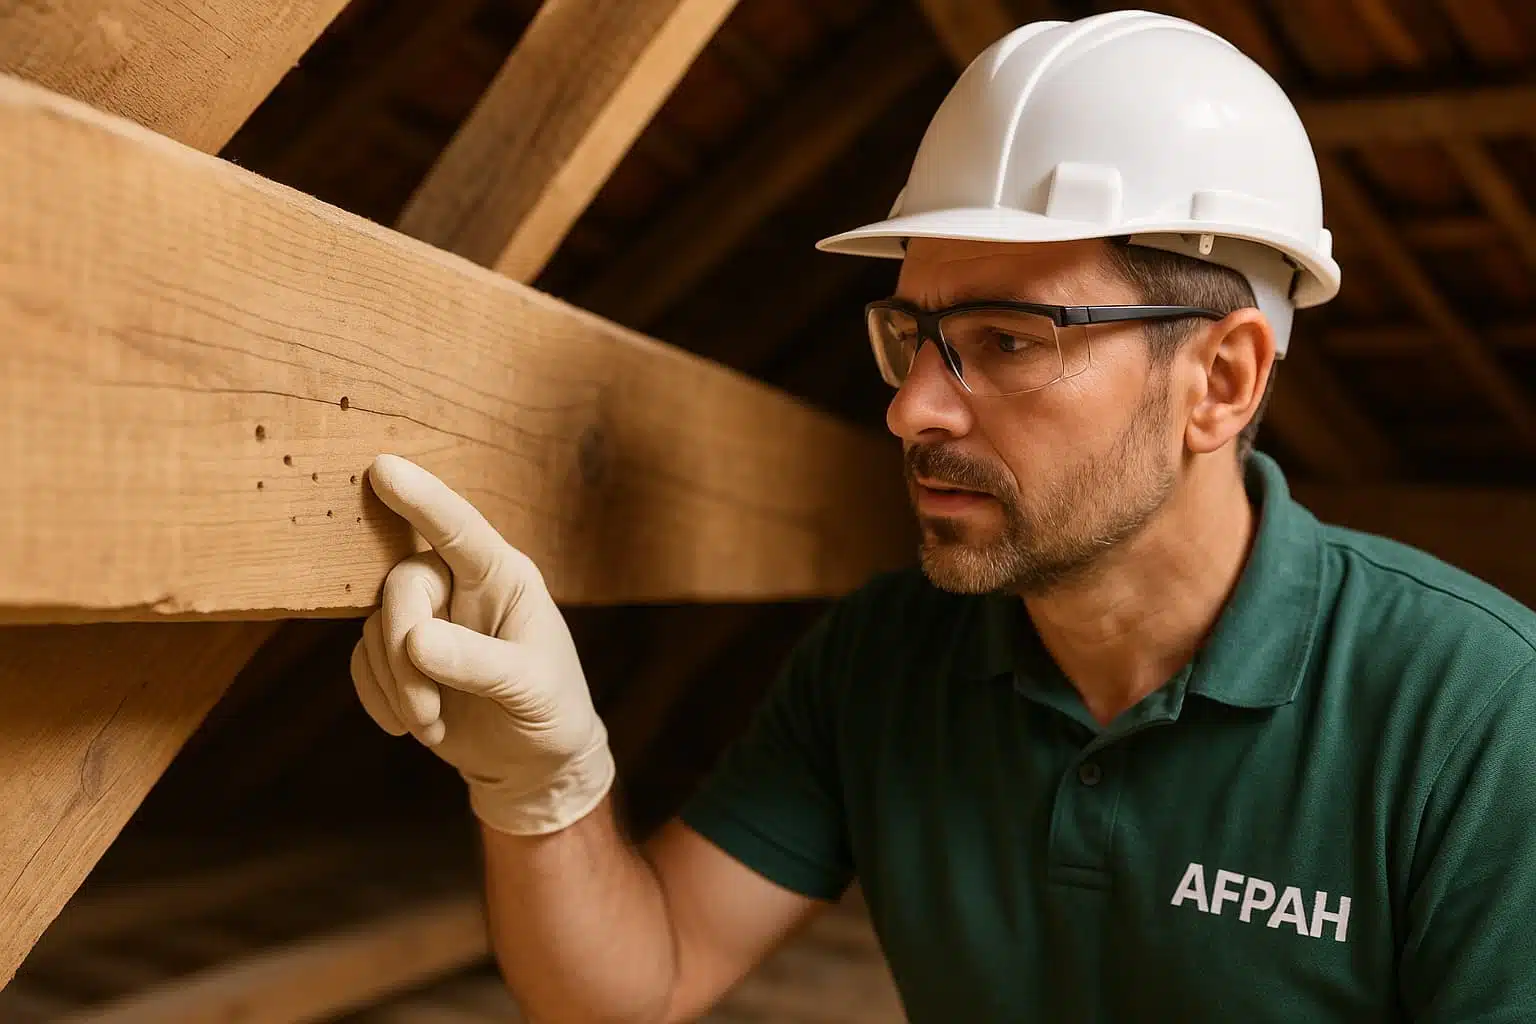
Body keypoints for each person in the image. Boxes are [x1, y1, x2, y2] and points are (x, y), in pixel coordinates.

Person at [350, 10, 1536, 1022]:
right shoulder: (882, 660)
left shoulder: (1477, 718)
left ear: (1220, 382)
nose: (913, 407)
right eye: (913, 335)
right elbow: (644, 980)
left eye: (1008, 341)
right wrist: (546, 791)